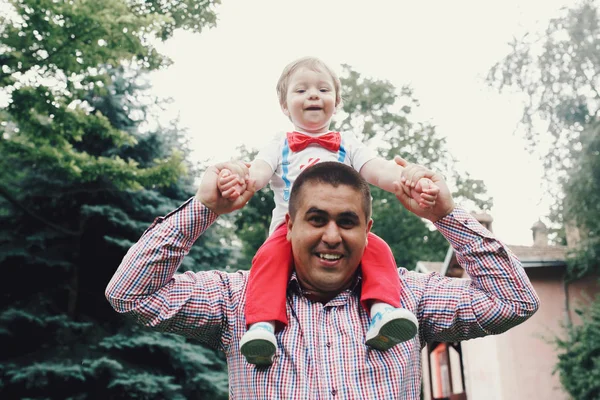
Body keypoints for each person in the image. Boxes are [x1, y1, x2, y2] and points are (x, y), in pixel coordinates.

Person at [106, 159, 540, 400]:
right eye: (316, 220)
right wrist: (204, 208)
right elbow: (130, 294)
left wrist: (445, 216)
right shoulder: (235, 300)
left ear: (368, 230)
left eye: (347, 222)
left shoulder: (410, 299)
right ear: (288, 226)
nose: (332, 236)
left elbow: (514, 301)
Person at [216, 56, 440, 364]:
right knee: (268, 259)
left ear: (336, 102)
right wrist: (238, 179)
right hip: (290, 230)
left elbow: (377, 170)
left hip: (343, 227)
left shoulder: (347, 145)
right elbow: (257, 173)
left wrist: (407, 179)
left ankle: (382, 310)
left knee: (376, 248)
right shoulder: (278, 145)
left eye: (323, 89)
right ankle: (263, 326)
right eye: (301, 90)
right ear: (284, 105)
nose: (313, 95)